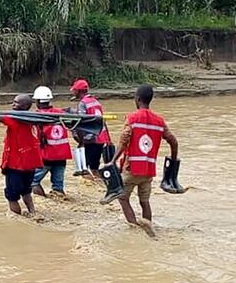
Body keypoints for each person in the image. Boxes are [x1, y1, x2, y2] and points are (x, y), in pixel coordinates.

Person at [106, 85, 178, 236]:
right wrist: (172, 161)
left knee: (122, 198)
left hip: (132, 168)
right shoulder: (159, 121)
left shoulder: (132, 118)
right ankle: (149, 230)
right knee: (144, 201)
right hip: (148, 171)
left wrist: (112, 161)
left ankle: (135, 230)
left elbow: (123, 141)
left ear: (137, 99)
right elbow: (173, 142)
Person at [0, 95, 43, 216]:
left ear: (25, 106)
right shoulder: (32, 120)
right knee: (26, 192)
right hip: (29, 165)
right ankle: (33, 213)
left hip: (16, 166)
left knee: (12, 196)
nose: (13, 104)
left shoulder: (15, 120)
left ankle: (17, 218)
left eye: (16, 103)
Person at [31, 86, 72, 198]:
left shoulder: (35, 116)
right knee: (58, 187)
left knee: (33, 182)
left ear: (38, 101)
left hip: (46, 157)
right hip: (62, 156)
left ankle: (43, 202)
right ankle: (60, 202)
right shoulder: (61, 114)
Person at [70, 78, 111, 173]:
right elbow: (103, 121)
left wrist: (81, 142)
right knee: (94, 168)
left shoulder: (82, 104)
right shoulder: (95, 101)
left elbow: (81, 124)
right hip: (101, 139)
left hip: (91, 140)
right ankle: (101, 185)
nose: (73, 93)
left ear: (79, 91)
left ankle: (96, 186)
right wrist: (108, 139)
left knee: (85, 170)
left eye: (74, 90)